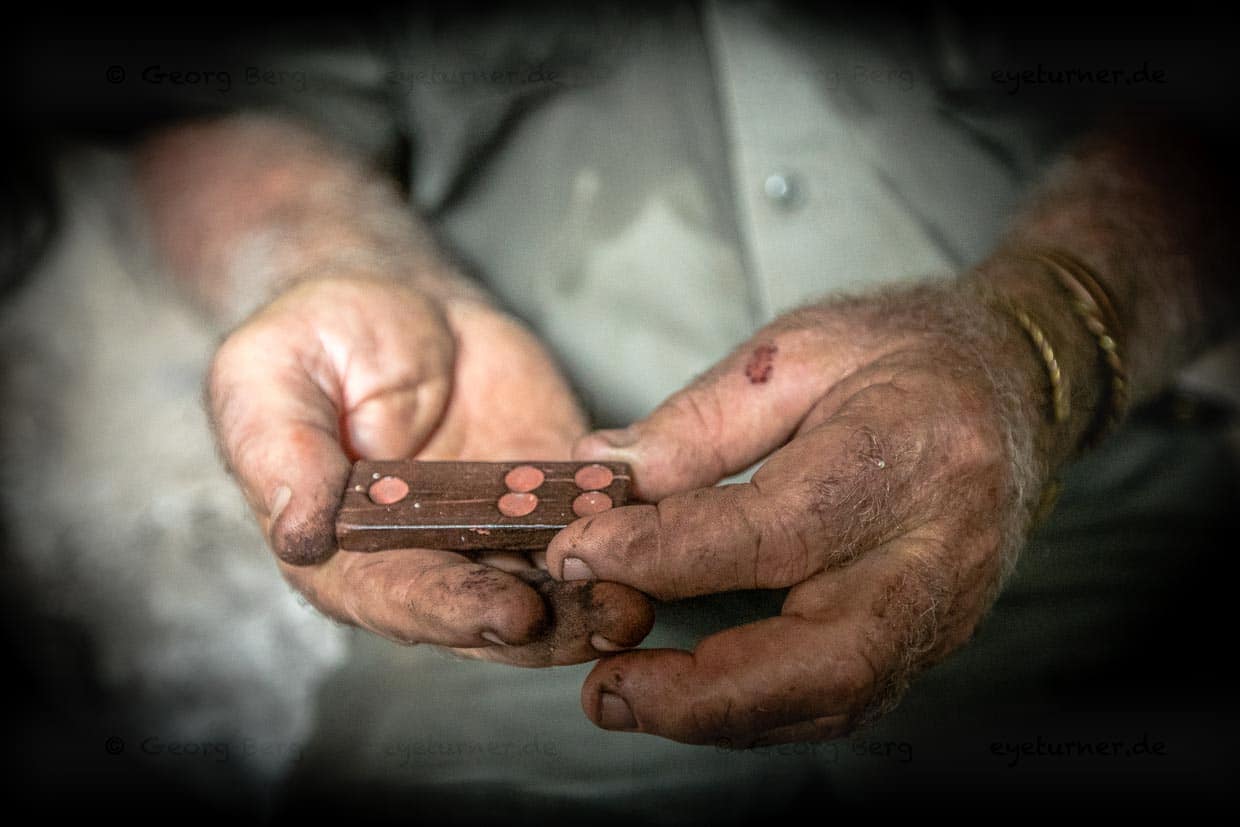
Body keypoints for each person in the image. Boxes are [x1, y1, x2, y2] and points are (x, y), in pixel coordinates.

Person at [5, 3, 1238, 817]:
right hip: (533, 557)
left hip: (1078, 482)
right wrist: (329, 257)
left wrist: (1041, 336)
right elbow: (225, 107)